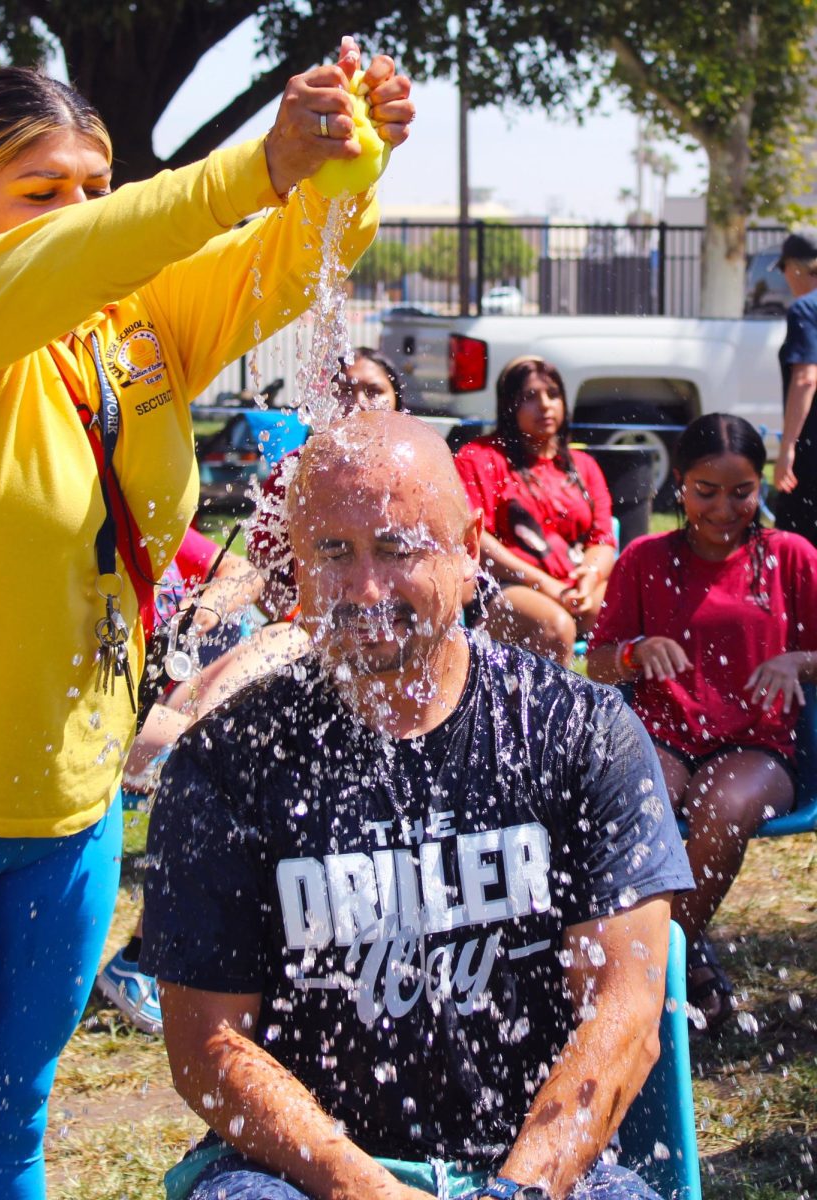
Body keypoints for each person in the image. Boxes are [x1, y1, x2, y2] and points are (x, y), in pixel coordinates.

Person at [0, 47, 414, 1200]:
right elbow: (108, 246)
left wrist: (344, 159)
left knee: (14, 1130)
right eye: (37, 189)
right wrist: (255, 164)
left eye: (92, 185)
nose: (76, 212)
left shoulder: (137, 328)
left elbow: (280, 263)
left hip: (69, 817)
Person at [142, 410, 692, 1200]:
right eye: (334, 551)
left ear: (470, 552)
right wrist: (355, 1184)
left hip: (538, 1165)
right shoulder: (228, 762)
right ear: (295, 563)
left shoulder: (578, 733)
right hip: (299, 1174)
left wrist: (517, 1190)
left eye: (399, 548)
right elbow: (207, 1045)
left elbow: (626, 1006)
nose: (366, 589)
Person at [587, 413, 817, 1036]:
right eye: (705, 492)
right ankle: (692, 969)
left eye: (741, 492)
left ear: (762, 485)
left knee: (722, 805)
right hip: (666, 737)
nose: (723, 509)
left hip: (758, 745)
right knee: (636, 800)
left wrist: (802, 658)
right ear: (679, 486)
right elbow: (600, 664)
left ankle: (648, 968)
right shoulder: (644, 558)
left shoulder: (789, 557)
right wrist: (636, 651)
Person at [98, 526, 264, 1034]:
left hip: (167, 700)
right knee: (218, 762)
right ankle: (143, 958)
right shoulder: (88, 518)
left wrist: (204, 611)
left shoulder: (152, 515)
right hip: (100, 711)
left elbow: (245, 573)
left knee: (287, 638)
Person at [454, 356, 616, 666]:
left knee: (634, 607)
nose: (545, 405)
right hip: (501, 589)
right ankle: (544, 714)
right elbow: (475, 539)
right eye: (530, 397)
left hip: (574, 587)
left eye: (553, 394)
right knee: (555, 626)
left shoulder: (584, 466)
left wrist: (589, 577)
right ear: (509, 405)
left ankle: (618, 710)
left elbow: (603, 540)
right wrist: (547, 585)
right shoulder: (480, 457)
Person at [249, 346, 406, 620]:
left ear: (397, 402)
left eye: (373, 391)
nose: (358, 403)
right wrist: (301, 624)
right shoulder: (293, 471)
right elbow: (262, 566)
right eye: (343, 391)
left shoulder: (420, 470)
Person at [772, 228, 817, 546]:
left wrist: (788, 447)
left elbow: (805, 378)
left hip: (811, 452)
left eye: (785, 269)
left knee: (795, 544)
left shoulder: (805, 310)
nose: (786, 277)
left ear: (799, 267)